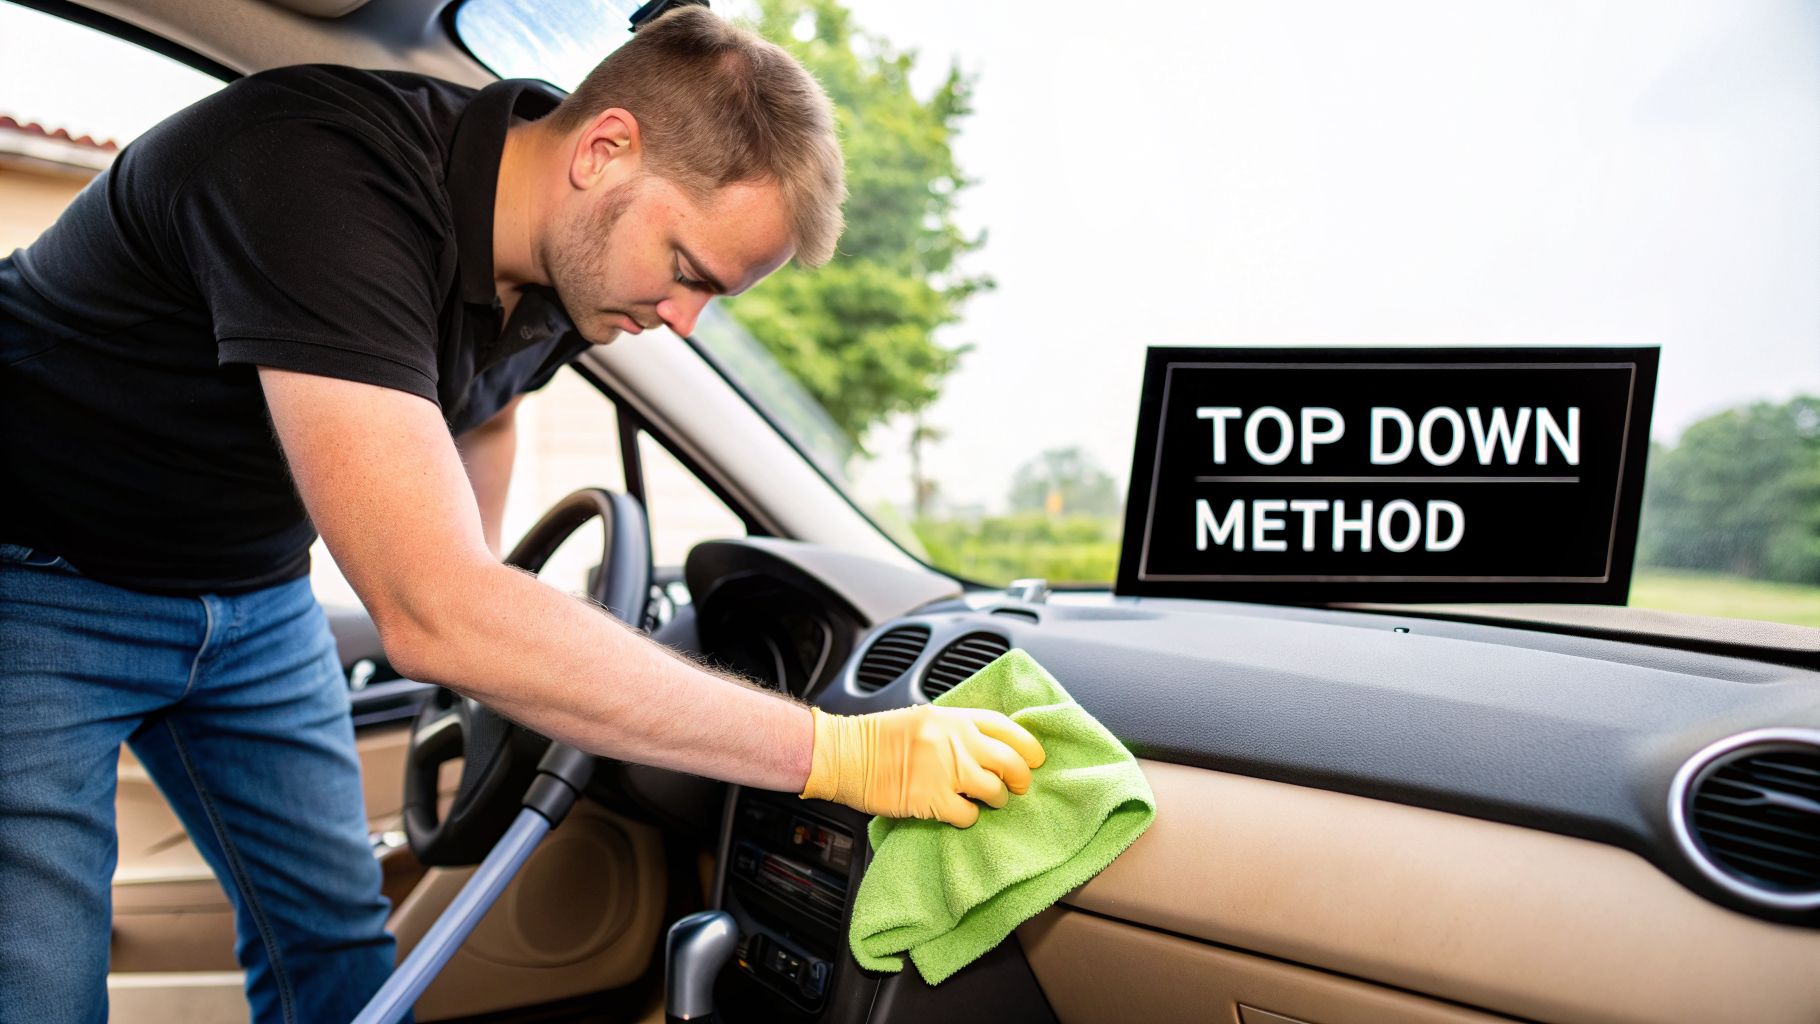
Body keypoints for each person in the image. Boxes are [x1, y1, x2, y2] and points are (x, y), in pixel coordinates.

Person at [0, 8, 1045, 1023]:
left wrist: (482, 586)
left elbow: (486, 409)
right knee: (39, 984)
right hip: (37, 585)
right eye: (686, 272)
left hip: (253, 590)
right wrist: (846, 754)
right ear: (603, 150)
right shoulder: (318, 177)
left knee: (336, 943)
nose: (683, 322)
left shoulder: (561, 265)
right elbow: (434, 612)